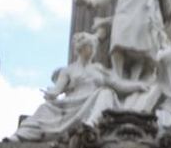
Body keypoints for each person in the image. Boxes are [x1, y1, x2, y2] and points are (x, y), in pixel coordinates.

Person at [10, 32, 147, 142]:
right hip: (72, 103)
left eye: (93, 47)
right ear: (81, 49)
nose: (92, 50)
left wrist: (138, 85)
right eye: (89, 46)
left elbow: (118, 84)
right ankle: (19, 136)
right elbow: (57, 90)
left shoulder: (98, 68)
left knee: (106, 92)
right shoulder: (68, 70)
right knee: (44, 108)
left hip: (92, 101)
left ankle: (91, 124)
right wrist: (51, 94)